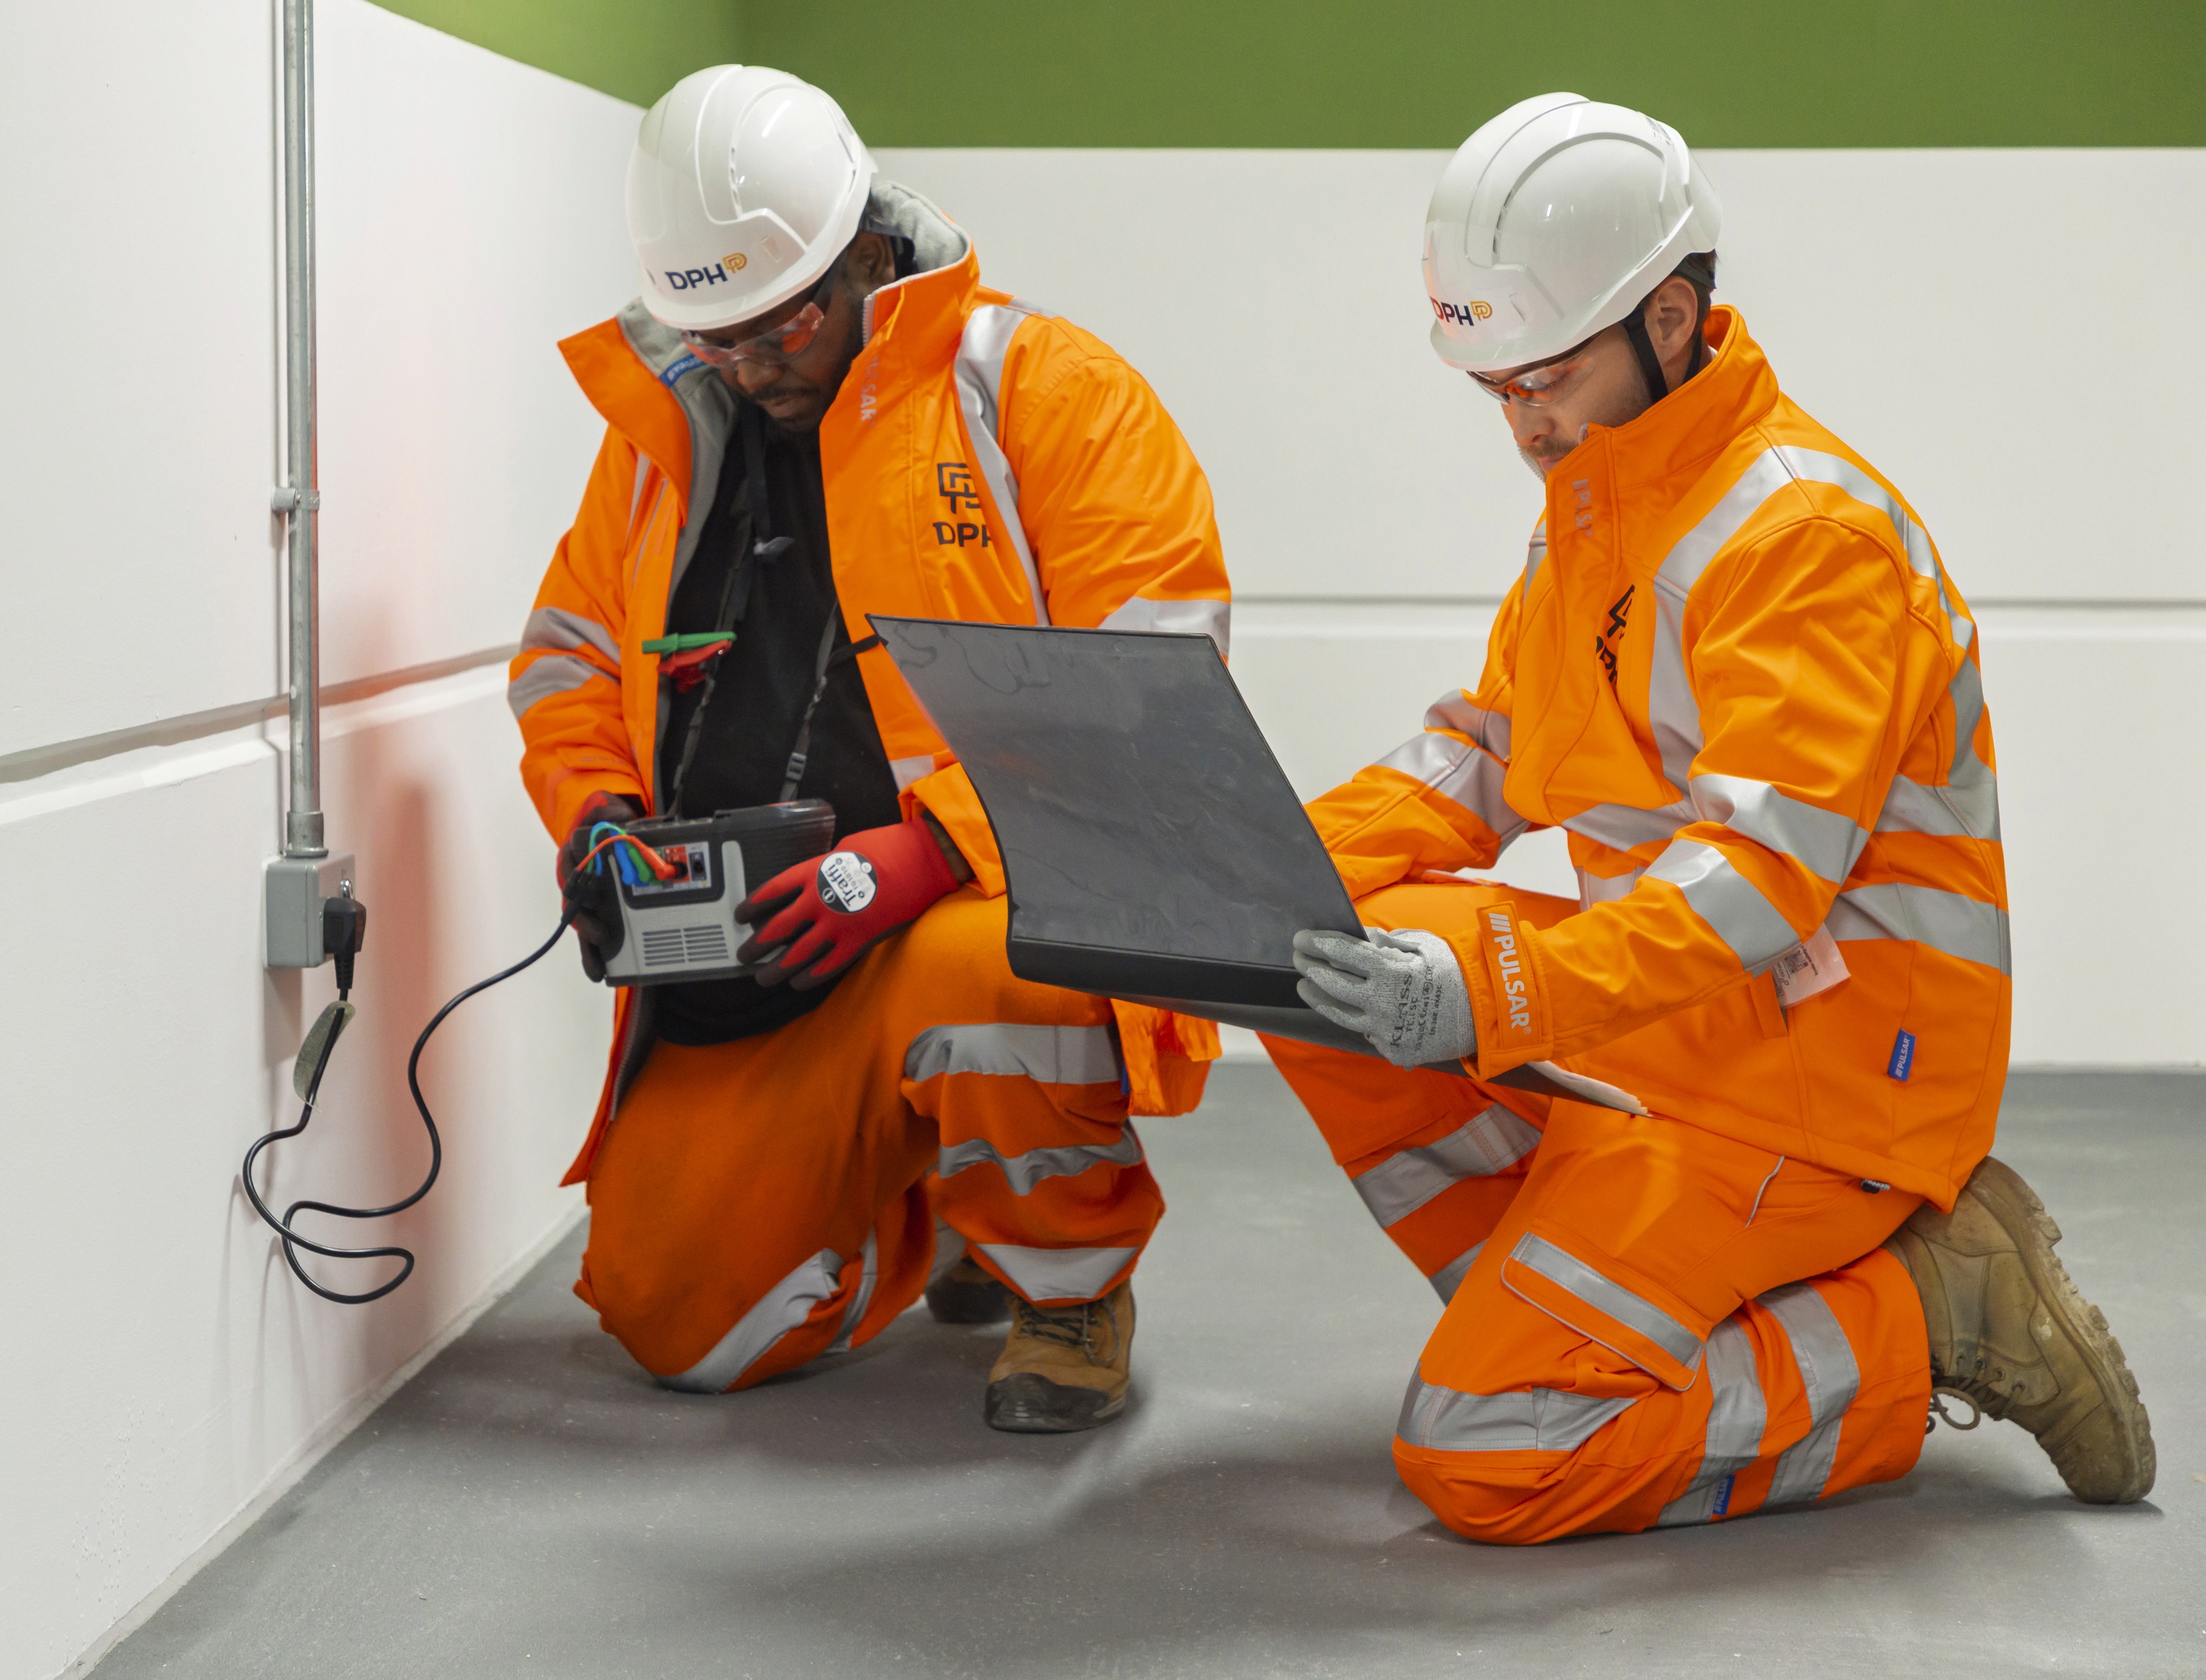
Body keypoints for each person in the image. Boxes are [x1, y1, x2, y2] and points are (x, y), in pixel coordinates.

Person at [1268, 93, 2152, 1540]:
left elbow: (1758, 881)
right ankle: (1575, 1293)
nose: (1523, 421)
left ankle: (1924, 1318)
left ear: (1671, 318)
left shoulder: (1800, 535)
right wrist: (1243, 869)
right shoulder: (1598, 516)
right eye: (1494, 387)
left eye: (1545, 377)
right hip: (1688, 1029)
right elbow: (1487, 757)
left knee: (1491, 1446)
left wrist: (1505, 987)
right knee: (1322, 957)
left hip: (1832, 1072)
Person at [508, 65, 1229, 1430]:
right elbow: (567, 655)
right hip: (767, 948)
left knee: (989, 974)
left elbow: (1155, 686)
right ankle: (936, 1202)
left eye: (780, 323)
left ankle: (1069, 1285)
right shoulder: (671, 429)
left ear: (870, 257)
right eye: (712, 335)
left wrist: (931, 846)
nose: (750, 363)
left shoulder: (1039, 391)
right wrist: (595, 814)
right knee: (676, 1327)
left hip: (973, 909)